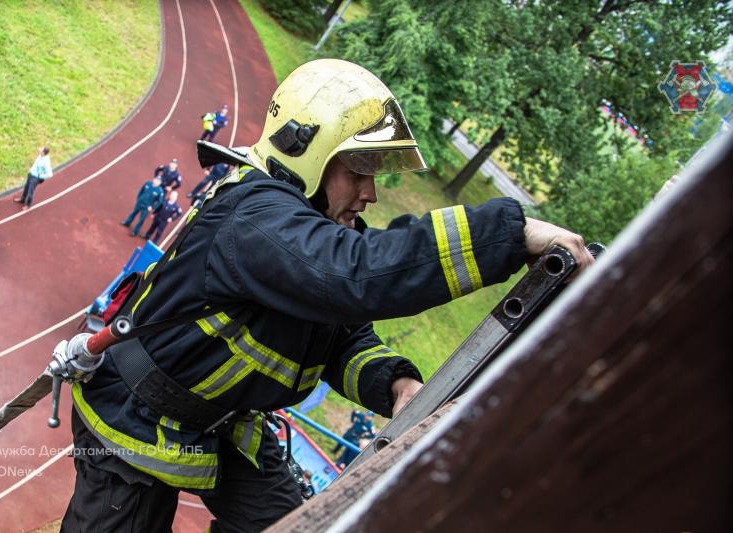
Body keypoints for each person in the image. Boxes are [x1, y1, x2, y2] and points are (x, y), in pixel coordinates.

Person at [60, 59, 593, 532]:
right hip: (135, 420)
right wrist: (512, 233)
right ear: (309, 152)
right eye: (359, 169)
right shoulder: (256, 218)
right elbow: (356, 277)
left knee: (300, 526)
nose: (371, 192)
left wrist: (396, 383)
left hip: (223, 422)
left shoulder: (303, 229)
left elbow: (339, 330)